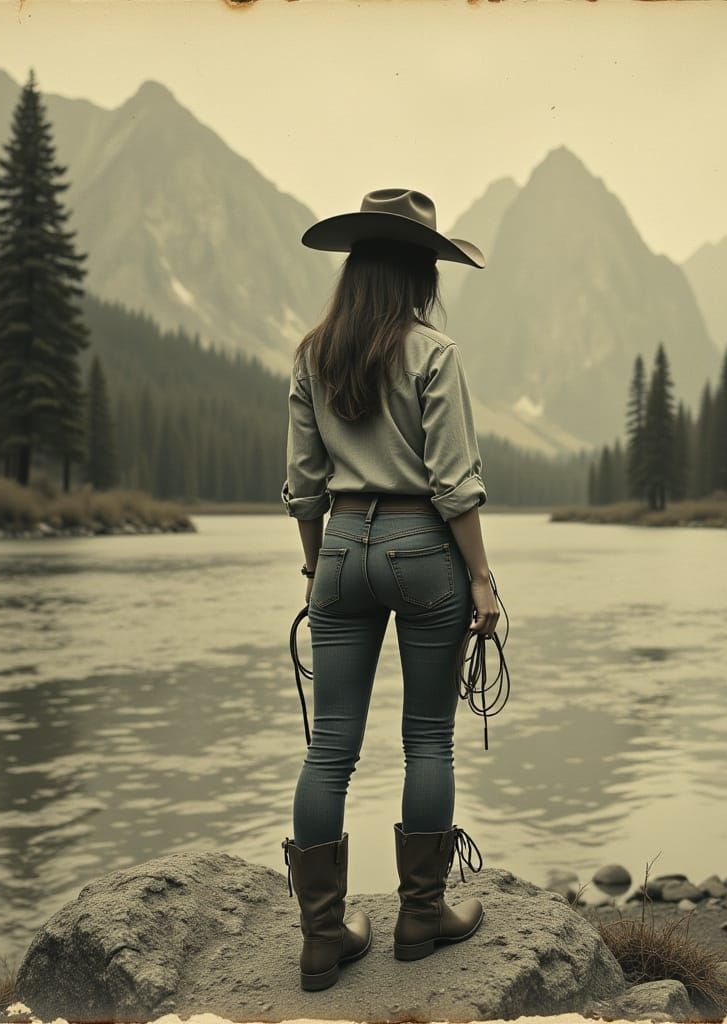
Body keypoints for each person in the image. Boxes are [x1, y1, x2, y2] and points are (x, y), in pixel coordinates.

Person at [279, 188, 500, 992]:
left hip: (340, 545)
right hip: (421, 547)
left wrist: (318, 567)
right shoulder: (434, 352)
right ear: (417, 272)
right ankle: (419, 917)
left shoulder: (312, 354)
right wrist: (481, 579)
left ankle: (322, 938)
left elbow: (303, 488)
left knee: (329, 750)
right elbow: (455, 485)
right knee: (428, 740)